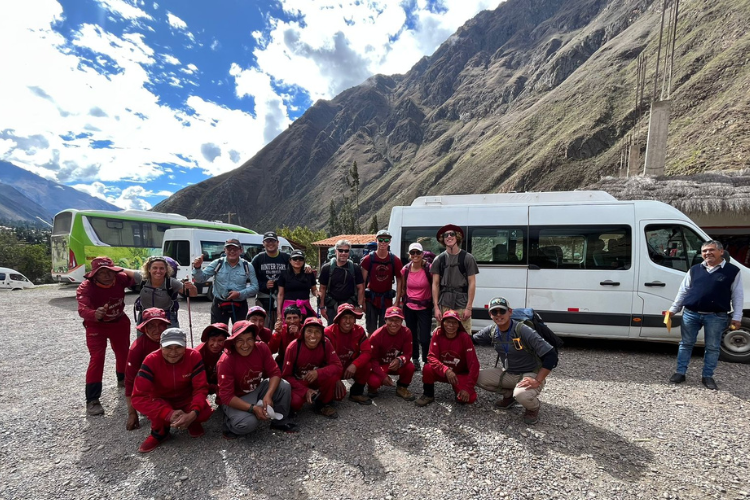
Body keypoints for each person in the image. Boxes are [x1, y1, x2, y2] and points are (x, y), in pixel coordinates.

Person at [667, 240, 744, 390]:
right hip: (691, 314)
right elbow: (683, 291)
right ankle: (680, 372)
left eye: (711, 250)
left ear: (721, 252)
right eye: (704, 251)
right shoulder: (695, 269)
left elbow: (738, 296)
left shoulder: (732, 271)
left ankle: (707, 376)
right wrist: (673, 309)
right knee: (685, 344)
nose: (707, 253)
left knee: (713, 347)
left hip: (716, 316)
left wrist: (737, 317)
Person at [473, 297, 558, 425]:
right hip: (509, 372)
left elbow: (551, 355)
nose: (499, 315)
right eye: (494, 312)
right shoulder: (492, 330)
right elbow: (470, 340)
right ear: (490, 314)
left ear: (510, 312)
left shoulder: (522, 330)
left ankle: (533, 407)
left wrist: (537, 380)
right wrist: (445, 331)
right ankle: (509, 396)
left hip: (530, 373)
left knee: (522, 395)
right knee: (474, 377)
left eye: (502, 311)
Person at [131, 328, 213, 453]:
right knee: (156, 412)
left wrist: (193, 413)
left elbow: (200, 388)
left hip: (186, 398)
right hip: (161, 399)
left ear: (185, 346)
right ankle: (159, 433)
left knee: (204, 412)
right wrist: (167, 413)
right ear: (160, 346)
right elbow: (138, 398)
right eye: (168, 347)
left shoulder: (193, 356)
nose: (173, 352)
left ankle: (191, 422)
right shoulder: (151, 360)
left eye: (178, 347)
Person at [76, 256, 137, 416]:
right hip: (96, 325)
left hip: (119, 321)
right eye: (102, 272)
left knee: (124, 352)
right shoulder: (86, 287)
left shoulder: (120, 278)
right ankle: (92, 399)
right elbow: (82, 309)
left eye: (110, 271)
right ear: (94, 274)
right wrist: (94, 313)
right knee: (97, 358)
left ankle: (123, 379)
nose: (107, 275)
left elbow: (139, 277)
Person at [216, 321, 297, 438]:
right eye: (240, 340)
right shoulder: (226, 361)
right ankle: (229, 424)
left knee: (284, 386)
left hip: (255, 389)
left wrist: (268, 395)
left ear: (255, 339)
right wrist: (252, 409)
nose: (245, 345)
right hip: (236, 397)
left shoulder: (261, 348)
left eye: (249, 339)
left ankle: (280, 420)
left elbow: (275, 372)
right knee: (248, 424)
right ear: (233, 342)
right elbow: (226, 396)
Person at [281, 317, 343, 419]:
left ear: (322, 334)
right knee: (295, 402)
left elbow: (338, 366)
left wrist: (318, 372)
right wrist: (305, 390)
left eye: (317, 332)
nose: (313, 336)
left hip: (316, 379)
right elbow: (286, 376)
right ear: (303, 332)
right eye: (309, 331)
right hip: (300, 381)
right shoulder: (293, 347)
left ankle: (322, 405)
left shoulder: (325, 343)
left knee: (339, 391)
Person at [415, 310, 479, 407]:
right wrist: (446, 370)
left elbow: (474, 364)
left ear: (458, 325)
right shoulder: (437, 334)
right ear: (442, 323)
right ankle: (428, 394)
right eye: (447, 322)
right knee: (427, 368)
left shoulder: (464, 337)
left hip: (459, 374)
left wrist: (468, 388)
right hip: (443, 371)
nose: (450, 325)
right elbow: (431, 357)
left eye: (454, 322)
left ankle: (457, 387)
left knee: (470, 399)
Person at [124, 307, 172, 430]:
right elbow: (130, 382)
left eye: (161, 325)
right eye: (151, 326)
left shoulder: (173, 341)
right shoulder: (137, 349)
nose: (157, 329)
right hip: (152, 389)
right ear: (144, 328)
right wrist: (132, 413)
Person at [192, 238, 258, 325]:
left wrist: (239, 294)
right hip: (219, 305)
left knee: (240, 335)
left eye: (235, 249)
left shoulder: (247, 266)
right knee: (218, 335)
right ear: (224, 250)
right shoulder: (217, 263)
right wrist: (197, 267)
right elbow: (201, 279)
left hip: (240, 305)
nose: (232, 251)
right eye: (229, 249)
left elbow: (255, 287)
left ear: (241, 250)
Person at [431, 224, 479, 333]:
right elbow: (435, 284)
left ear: (457, 236)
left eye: (451, 234)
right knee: (443, 334)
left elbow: (472, 283)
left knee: (464, 334)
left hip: (462, 301)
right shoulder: (439, 259)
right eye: (445, 235)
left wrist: (469, 307)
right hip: (444, 302)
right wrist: (436, 308)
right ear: (443, 239)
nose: (449, 237)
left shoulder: (468, 258)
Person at [324, 303, 373, 405]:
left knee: (367, 365)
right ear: (338, 319)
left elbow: (367, 352)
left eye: (351, 317)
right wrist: (336, 378)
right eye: (344, 317)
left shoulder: (359, 331)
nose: (348, 321)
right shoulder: (328, 332)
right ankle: (323, 402)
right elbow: (323, 359)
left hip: (349, 367)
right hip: (332, 368)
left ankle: (356, 393)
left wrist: (355, 365)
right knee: (337, 396)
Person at [366, 306, 416, 401]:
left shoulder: (406, 332)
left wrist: (400, 360)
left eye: (397, 320)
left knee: (410, 367)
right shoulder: (376, 336)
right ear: (385, 320)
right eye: (390, 320)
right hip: (380, 365)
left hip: (395, 364)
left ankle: (402, 387)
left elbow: (408, 353)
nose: (394, 323)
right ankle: (372, 388)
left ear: (402, 321)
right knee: (374, 382)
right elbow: (372, 360)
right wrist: (382, 376)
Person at [361, 229, 403, 334]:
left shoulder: (395, 260)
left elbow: (400, 280)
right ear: (376, 240)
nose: (383, 242)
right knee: (371, 329)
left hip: (387, 299)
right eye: (381, 240)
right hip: (371, 299)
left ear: (389, 242)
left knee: (385, 328)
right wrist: (362, 301)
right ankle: (370, 349)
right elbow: (362, 281)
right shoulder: (368, 259)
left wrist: (397, 300)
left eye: (386, 240)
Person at [134, 256, 196, 327]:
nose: (158, 271)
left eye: (161, 268)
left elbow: (192, 294)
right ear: (149, 269)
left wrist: (192, 287)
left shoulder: (171, 282)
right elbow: (122, 270)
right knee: (143, 338)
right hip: (145, 318)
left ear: (166, 270)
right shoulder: (143, 279)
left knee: (171, 338)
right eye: (155, 268)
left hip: (167, 318)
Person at [401, 242, 433, 371]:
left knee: (425, 338)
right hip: (409, 307)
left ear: (422, 254)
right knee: (411, 335)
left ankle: (426, 359)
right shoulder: (406, 270)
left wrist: (436, 304)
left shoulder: (429, 269)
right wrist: (399, 303)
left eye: (418, 253)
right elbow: (403, 288)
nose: (415, 255)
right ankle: (415, 359)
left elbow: (435, 286)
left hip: (425, 307)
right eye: (412, 253)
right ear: (409, 254)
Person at [318, 239, 365, 324]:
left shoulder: (355, 268)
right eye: (341, 250)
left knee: (349, 331)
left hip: (350, 307)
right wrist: (322, 307)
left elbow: (360, 288)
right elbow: (322, 288)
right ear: (336, 251)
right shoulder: (327, 268)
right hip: (332, 306)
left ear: (349, 252)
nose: (343, 253)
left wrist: (359, 305)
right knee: (332, 332)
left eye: (346, 251)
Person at [276, 249, 318, 320]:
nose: (297, 261)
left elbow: (314, 290)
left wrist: (318, 294)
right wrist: (279, 313)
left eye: (300, 259)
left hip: (305, 307)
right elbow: (280, 294)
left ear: (304, 261)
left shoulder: (309, 274)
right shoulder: (283, 275)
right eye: (295, 259)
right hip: (288, 309)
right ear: (290, 260)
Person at [195, 322, 230, 403]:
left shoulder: (229, 352)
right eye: (213, 340)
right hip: (202, 383)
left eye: (220, 340)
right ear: (207, 340)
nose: (215, 344)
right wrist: (215, 388)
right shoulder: (197, 354)